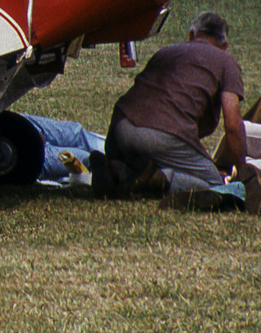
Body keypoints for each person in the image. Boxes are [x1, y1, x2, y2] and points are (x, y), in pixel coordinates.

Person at [103, 11, 247, 207]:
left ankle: (120, 172)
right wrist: (241, 171)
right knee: (215, 184)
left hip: (121, 129)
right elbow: (232, 125)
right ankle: (160, 179)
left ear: (191, 34)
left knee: (152, 158)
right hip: (162, 136)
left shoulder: (165, 51)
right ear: (224, 46)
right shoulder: (226, 61)